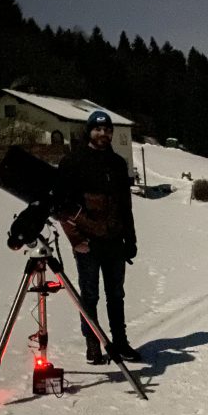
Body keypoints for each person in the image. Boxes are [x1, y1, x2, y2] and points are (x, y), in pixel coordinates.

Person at [57, 110, 141, 365]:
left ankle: (120, 342)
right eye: (98, 129)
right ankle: (93, 343)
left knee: (116, 294)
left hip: (115, 240)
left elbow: (125, 205)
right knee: (89, 295)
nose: (103, 134)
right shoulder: (73, 161)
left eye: (107, 130)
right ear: (89, 131)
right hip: (88, 242)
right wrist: (75, 239)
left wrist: (131, 238)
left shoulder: (117, 164)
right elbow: (62, 206)